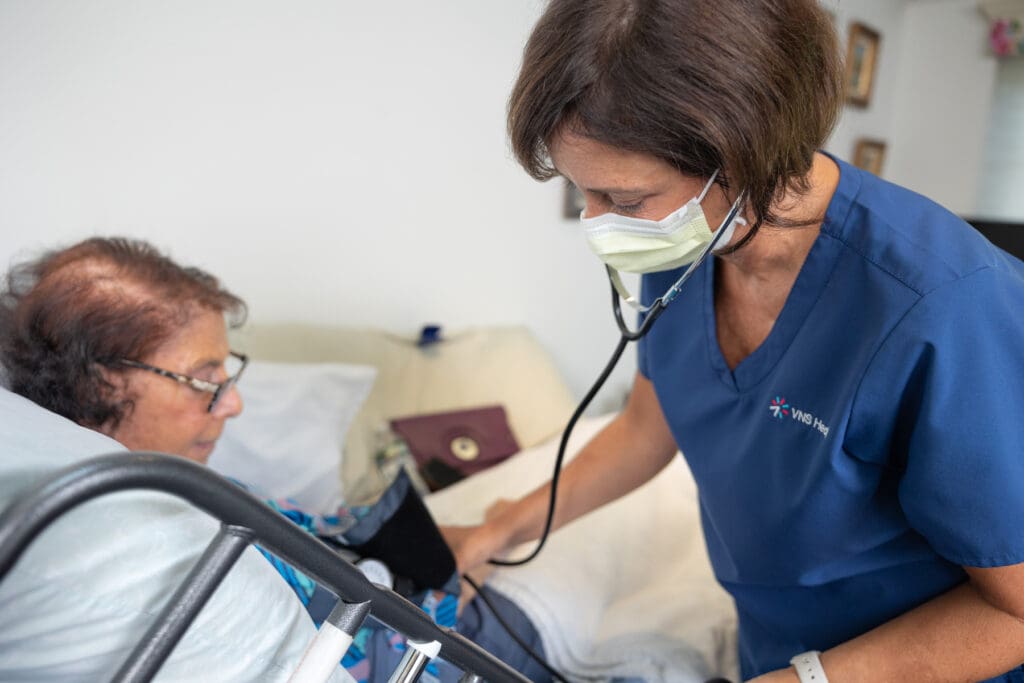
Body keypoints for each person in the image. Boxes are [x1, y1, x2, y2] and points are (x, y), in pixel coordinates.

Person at [444, 2, 1024, 682]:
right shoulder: (685, 242)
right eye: (582, 195)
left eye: (623, 200)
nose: (599, 226)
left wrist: (810, 679)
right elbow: (645, 428)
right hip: (771, 651)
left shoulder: (946, 303)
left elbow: (1015, 608)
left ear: (744, 154)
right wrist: (500, 526)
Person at [0, 236, 549, 682]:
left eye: (227, 374)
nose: (233, 404)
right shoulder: (154, 536)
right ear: (103, 381)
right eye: (204, 380)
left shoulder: (195, 489)